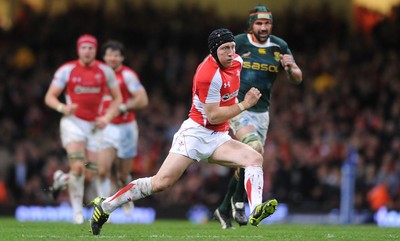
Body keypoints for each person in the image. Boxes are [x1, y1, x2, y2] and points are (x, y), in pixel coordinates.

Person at [89, 28, 277, 235]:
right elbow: (213, 116)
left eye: (233, 47)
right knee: (160, 183)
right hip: (195, 134)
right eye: (225, 48)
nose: (231, 52)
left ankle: (256, 208)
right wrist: (245, 104)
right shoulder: (207, 74)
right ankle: (105, 206)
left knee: (254, 159)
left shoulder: (238, 62)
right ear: (214, 51)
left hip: (218, 137)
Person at [214, 5, 303, 229]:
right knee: (254, 149)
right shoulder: (238, 43)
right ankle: (241, 202)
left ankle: (226, 207)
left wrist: (290, 68)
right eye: (259, 23)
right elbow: (216, 66)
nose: (264, 27)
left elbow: (297, 77)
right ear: (251, 24)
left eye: (267, 23)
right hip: (238, 106)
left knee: (250, 158)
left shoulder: (279, 45)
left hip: (262, 113)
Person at [44, 34, 122, 224]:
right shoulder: (67, 70)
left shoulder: (105, 71)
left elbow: (117, 98)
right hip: (73, 123)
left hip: (94, 126)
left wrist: (107, 117)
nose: (87, 51)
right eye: (84, 48)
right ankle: (77, 214)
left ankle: (62, 179)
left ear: (95, 51)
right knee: (78, 166)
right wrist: (63, 107)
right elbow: (50, 97)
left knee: (89, 174)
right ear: (78, 50)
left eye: (91, 48)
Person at [96, 40, 149, 214]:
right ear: (104, 57)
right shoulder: (97, 75)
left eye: (116, 55)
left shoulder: (127, 75)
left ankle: (125, 197)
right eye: (109, 54)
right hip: (107, 127)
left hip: (126, 127)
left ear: (122, 57)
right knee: (102, 169)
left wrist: (123, 107)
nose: (112, 58)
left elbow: (142, 99)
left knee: (122, 175)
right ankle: (103, 207)